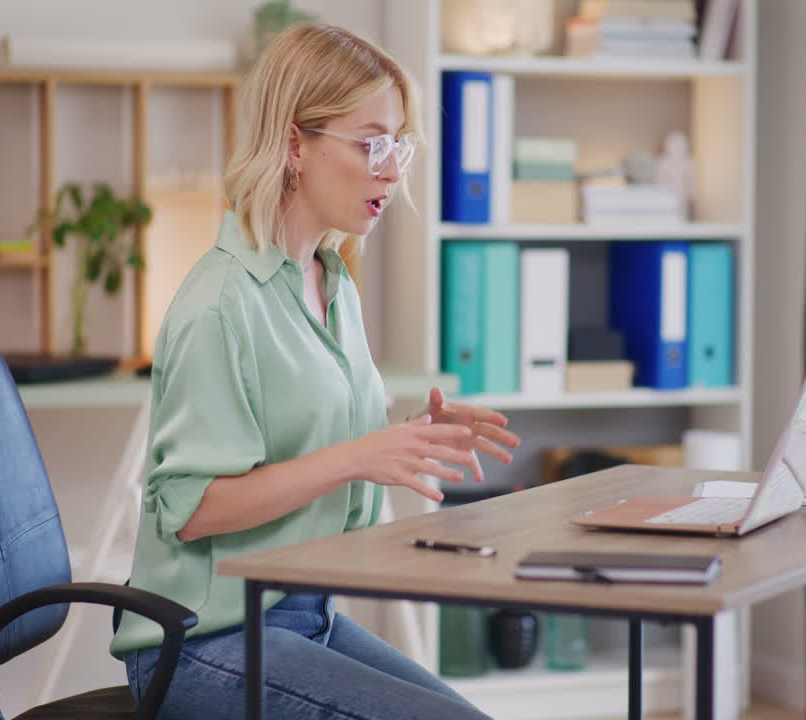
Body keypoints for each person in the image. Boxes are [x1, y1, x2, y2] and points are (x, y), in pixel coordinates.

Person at [111, 23, 520, 720]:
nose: (391, 169)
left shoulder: (331, 283)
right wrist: (360, 455)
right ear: (296, 144)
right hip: (203, 641)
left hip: (304, 616)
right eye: (371, 143)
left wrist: (408, 437)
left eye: (400, 144)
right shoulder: (220, 303)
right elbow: (191, 509)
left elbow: (316, 450)